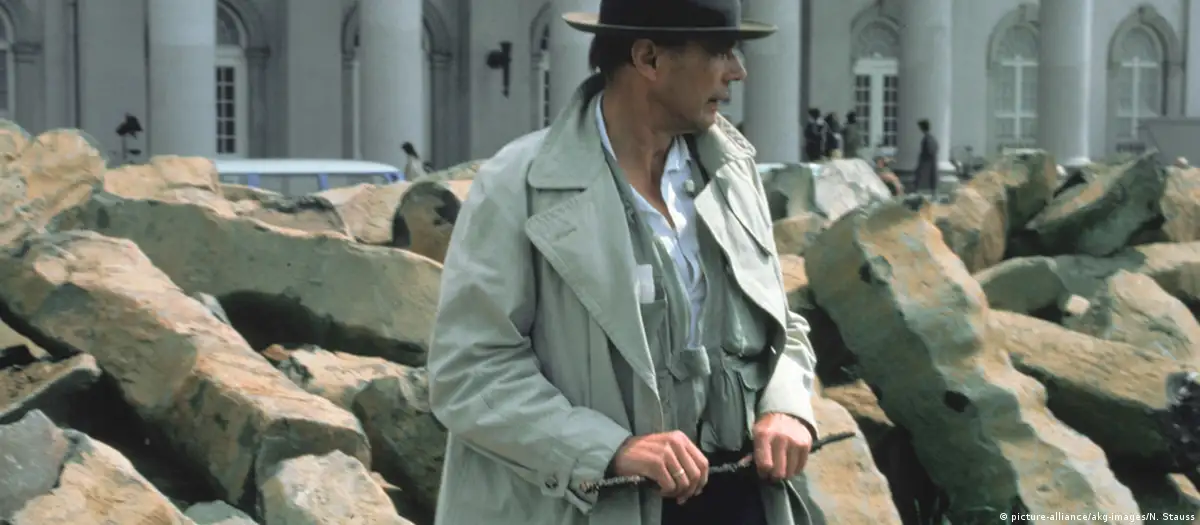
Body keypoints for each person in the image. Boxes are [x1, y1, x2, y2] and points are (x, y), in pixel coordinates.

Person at [425, 0, 820, 524]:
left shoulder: (732, 171)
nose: (737, 72)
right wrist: (609, 449)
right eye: (720, 52)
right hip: (596, 504)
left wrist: (786, 407)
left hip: (742, 497)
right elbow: (470, 371)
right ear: (648, 58)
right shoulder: (517, 185)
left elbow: (780, 327)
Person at [914, 119, 939, 196]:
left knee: (923, 179)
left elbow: (929, 151)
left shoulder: (928, 139)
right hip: (929, 162)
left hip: (926, 163)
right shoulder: (931, 138)